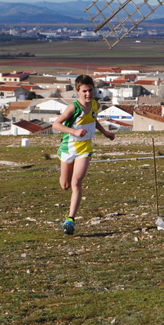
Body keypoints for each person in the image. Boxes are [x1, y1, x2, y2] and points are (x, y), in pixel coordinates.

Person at [52, 75, 115, 234]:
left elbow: (93, 120)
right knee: (65, 185)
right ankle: (66, 178)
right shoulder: (73, 108)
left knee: (77, 182)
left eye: (90, 90)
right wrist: (74, 131)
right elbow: (56, 124)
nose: (88, 94)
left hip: (85, 148)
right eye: (84, 91)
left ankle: (70, 219)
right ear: (77, 91)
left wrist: (105, 133)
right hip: (68, 148)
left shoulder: (96, 104)